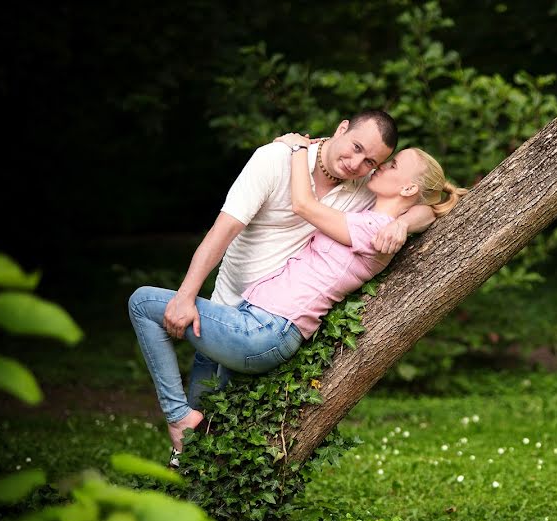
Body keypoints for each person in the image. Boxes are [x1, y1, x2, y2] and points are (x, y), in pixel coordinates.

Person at [128, 133, 468, 463]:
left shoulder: (372, 229)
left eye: (391, 165)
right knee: (208, 423)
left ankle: (176, 416)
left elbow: (303, 204)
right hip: (258, 322)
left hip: (265, 329)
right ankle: (189, 463)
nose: (378, 167)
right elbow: (428, 209)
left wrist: (295, 150)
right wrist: (408, 221)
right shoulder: (374, 221)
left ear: (408, 187)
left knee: (144, 303)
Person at [160, 110, 436, 417]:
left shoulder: (367, 186)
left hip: (274, 321)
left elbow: (429, 205)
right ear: (342, 128)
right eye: (356, 147)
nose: (358, 165)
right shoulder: (276, 159)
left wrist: (404, 224)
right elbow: (221, 233)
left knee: (230, 429)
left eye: (371, 162)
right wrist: (186, 295)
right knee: (197, 425)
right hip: (226, 307)